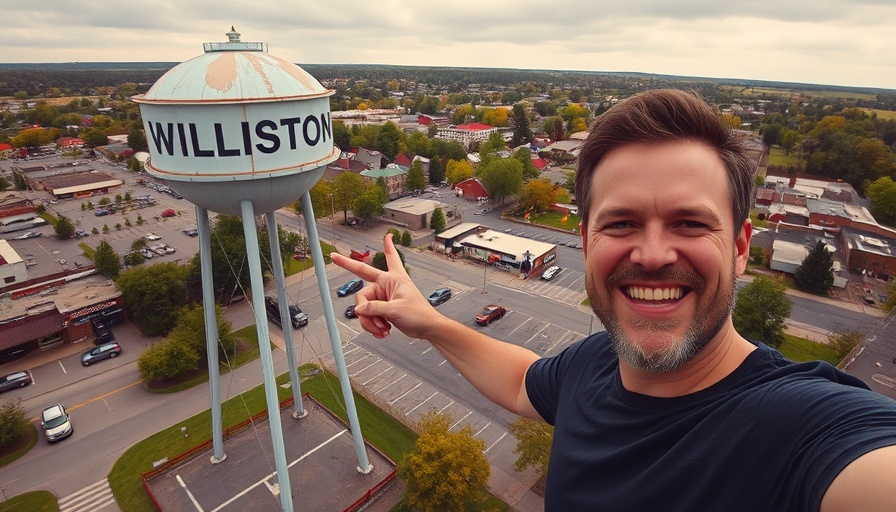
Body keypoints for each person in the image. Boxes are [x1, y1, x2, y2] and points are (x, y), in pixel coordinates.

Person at [331, 89, 896, 511]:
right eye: (621, 222)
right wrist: (428, 322)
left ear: (741, 246)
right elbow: (523, 380)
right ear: (585, 241)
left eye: (689, 223)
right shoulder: (594, 364)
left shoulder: (801, 427)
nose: (652, 254)